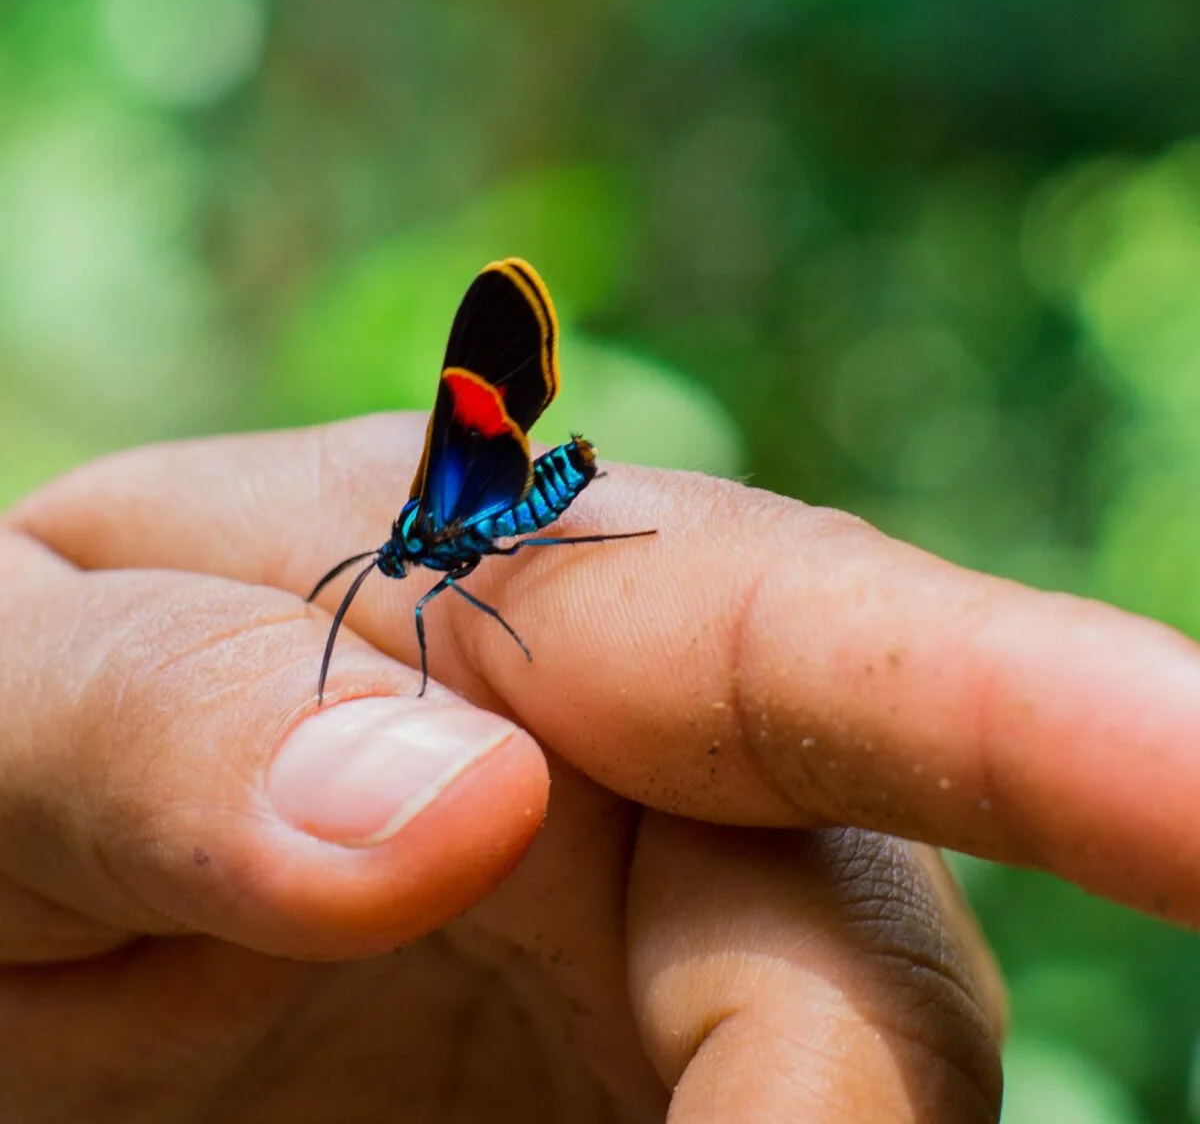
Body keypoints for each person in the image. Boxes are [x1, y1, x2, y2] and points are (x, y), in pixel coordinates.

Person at [3, 412, 1194, 1123]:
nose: (400, 568)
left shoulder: (440, 536)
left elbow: (467, 576)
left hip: (543, 494)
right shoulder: (430, 556)